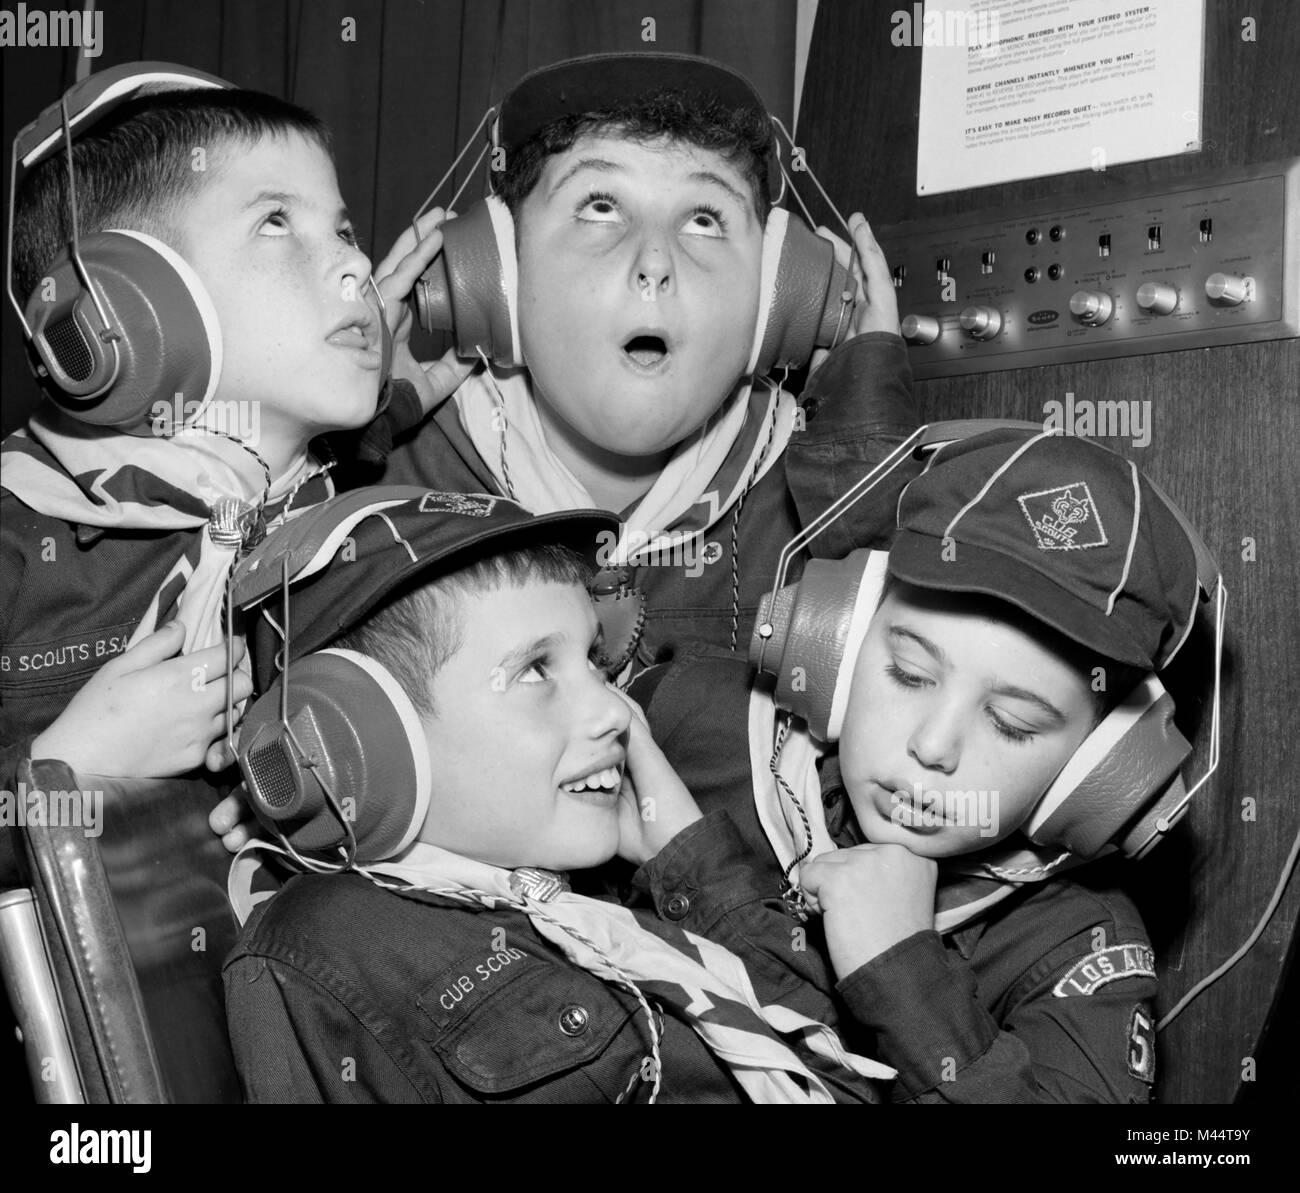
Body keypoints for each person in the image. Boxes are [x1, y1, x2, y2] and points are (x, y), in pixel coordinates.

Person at [221, 488, 895, 1103]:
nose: (611, 709)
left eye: (595, 661)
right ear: (355, 736)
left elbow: (826, 1059)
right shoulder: (324, 946)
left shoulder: (598, 898)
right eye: (537, 669)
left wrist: (684, 851)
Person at [632, 426, 1215, 1102]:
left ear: (1100, 769)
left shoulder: (1078, 953)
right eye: (909, 673)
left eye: (1012, 723)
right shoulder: (686, 722)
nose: (934, 746)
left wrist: (904, 974)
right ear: (837, 639)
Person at [0, 64, 471, 877]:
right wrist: (64, 774)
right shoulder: (17, 540)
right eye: (277, 223)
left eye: (346, 230)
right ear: (127, 305)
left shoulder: (340, 516)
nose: (357, 268)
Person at [376, 51, 917, 668]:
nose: (654, 262)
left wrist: (865, 444)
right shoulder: (389, 487)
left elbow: (905, 688)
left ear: (778, 295)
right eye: (600, 207)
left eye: (705, 219)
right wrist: (353, 430)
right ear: (495, 268)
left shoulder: (825, 488)